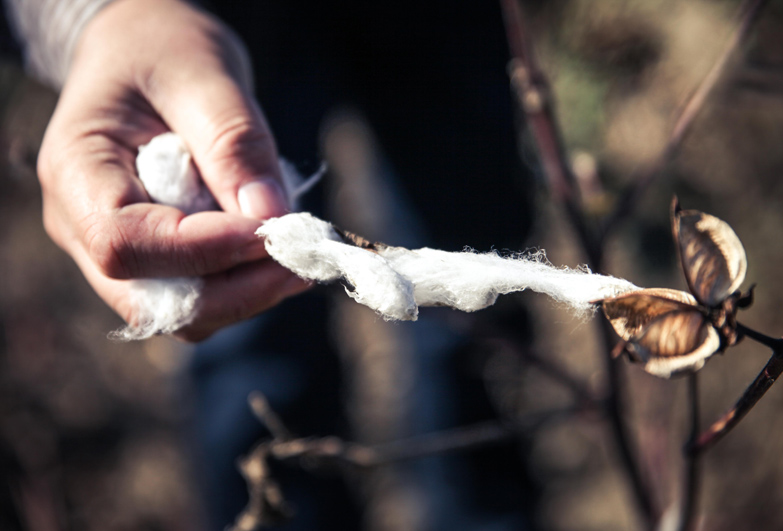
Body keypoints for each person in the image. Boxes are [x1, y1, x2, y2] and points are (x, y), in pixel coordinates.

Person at [5, 0, 536, 529]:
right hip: (215, 28)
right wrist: (104, 14)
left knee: (471, 296)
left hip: (444, 28)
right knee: (255, 354)